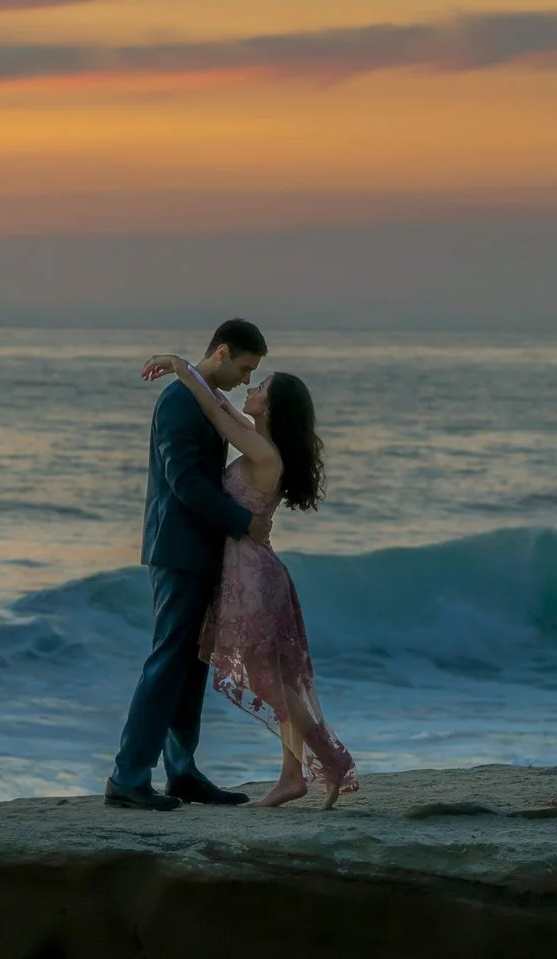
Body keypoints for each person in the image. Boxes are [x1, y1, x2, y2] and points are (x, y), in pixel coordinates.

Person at [139, 351, 357, 809]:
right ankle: (291, 778)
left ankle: (332, 761)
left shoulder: (261, 451)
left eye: (261, 388)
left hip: (252, 578)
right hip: (252, 571)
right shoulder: (261, 440)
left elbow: (219, 419)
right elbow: (221, 408)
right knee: (280, 681)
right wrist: (202, 375)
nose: (251, 388)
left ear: (273, 408)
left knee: (272, 684)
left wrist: (183, 369)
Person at [104, 319, 273, 811]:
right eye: (244, 368)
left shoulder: (200, 397)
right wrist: (244, 521)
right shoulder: (179, 403)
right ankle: (128, 775)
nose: (246, 381)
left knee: (192, 664)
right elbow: (184, 483)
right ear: (221, 352)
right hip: (176, 550)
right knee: (167, 660)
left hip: (201, 549)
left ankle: (181, 771)